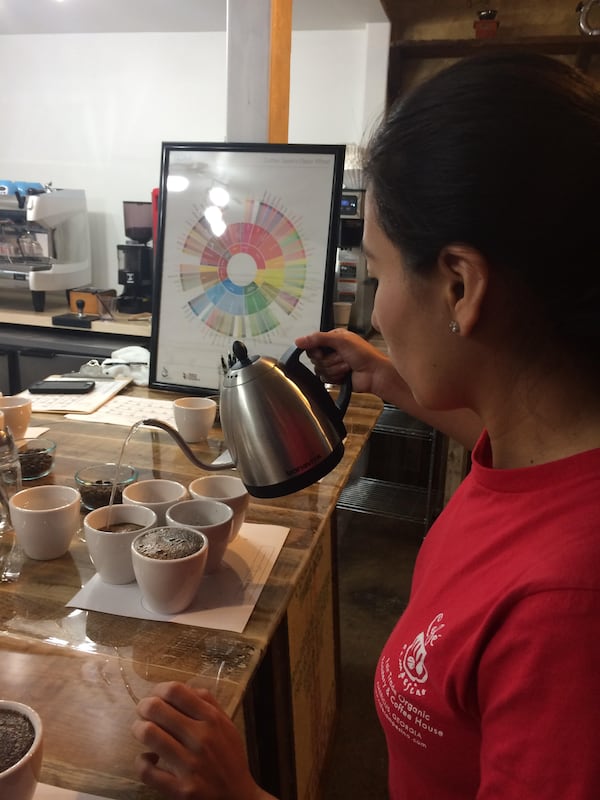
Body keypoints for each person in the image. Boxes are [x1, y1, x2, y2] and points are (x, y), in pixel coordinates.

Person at [131, 50, 600, 799]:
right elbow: (502, 457)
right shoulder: (533, 451)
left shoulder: (568, 617)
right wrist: (387, 376)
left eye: (378, 274)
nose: (375, 311)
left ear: (459, 285)